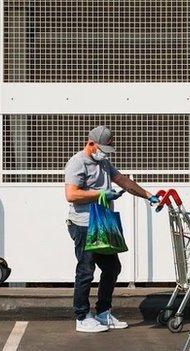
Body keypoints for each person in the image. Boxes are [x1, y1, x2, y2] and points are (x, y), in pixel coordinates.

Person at [65, 126, 160, 333]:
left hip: (103, 224)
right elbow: (71, 195)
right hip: (83, 224)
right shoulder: (77, 162)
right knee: (85, 271)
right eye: (102, 149)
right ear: (91, 144)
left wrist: (148, 195)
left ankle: (103, 312)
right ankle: (82, 317)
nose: (104, 154)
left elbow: (123, 181)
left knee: (111, 268)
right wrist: (101, 194)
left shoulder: (104, 162)